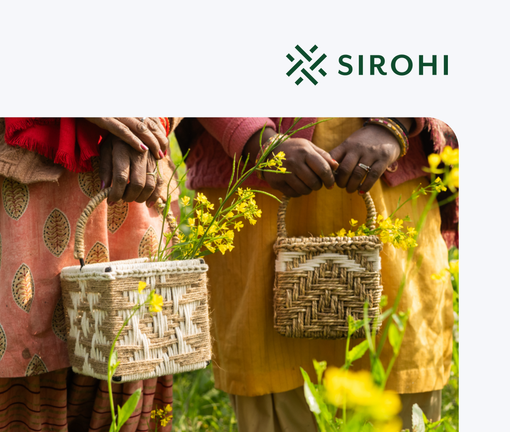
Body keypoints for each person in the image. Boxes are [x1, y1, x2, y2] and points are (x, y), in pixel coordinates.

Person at [176, 117, 458, 431]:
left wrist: (396, 123)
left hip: (389, 173)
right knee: (272, 376)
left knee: (397, 365)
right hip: (257, 182)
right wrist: (256, 140)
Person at [0, 117, 180, 432]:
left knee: (130, 367)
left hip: (129, 177)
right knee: (23, 379)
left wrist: (142, 124)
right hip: (13, 175)